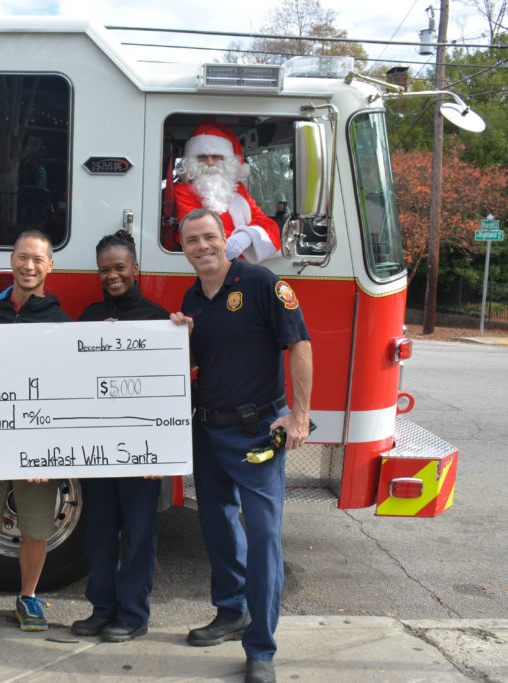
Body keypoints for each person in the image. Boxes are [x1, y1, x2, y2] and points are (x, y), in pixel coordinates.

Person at [171, 208, 312, 683]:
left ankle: (261, 650)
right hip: (208, 432)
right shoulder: (193, 297)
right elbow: (197, 363)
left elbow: (300, 345)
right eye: (192, 240)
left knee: (265, 538)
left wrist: (299, 415)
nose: (202, 246)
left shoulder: (261, 283)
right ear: (184, 247)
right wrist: (180, 338)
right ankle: (230, 612)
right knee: (217, 528)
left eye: (209, 236)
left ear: (225, 239)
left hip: (257, 435)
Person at [0, 229, 71, 633]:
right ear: (11, 261)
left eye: (38, 259)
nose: (29, 266)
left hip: (37, 446)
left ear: (50, 266)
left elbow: (68, 391)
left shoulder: (62, 322)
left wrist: (51, 448)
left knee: (37, 528)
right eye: (23, 257)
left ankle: (29, 599)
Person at [71, 229, 169, 643]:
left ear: (136, 269)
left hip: (141, 450)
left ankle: (133, 614)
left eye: (120, 267)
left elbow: (169, 390)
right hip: (97, 446)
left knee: (140, 533)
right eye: (104, 269)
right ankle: (102, 608)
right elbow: (71, 379)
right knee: (99, 530)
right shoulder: (90, 317)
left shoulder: (158, 319)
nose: (112, 275)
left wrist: (160, 452)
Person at [172, 120, 281, 263]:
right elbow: (198, 233)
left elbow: (265, 222)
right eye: (203, 157)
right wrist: (241, 244)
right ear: (192, 161)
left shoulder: (238, 189)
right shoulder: (183, 190)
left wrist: (247, 236)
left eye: (216, 156)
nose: (210, 163)